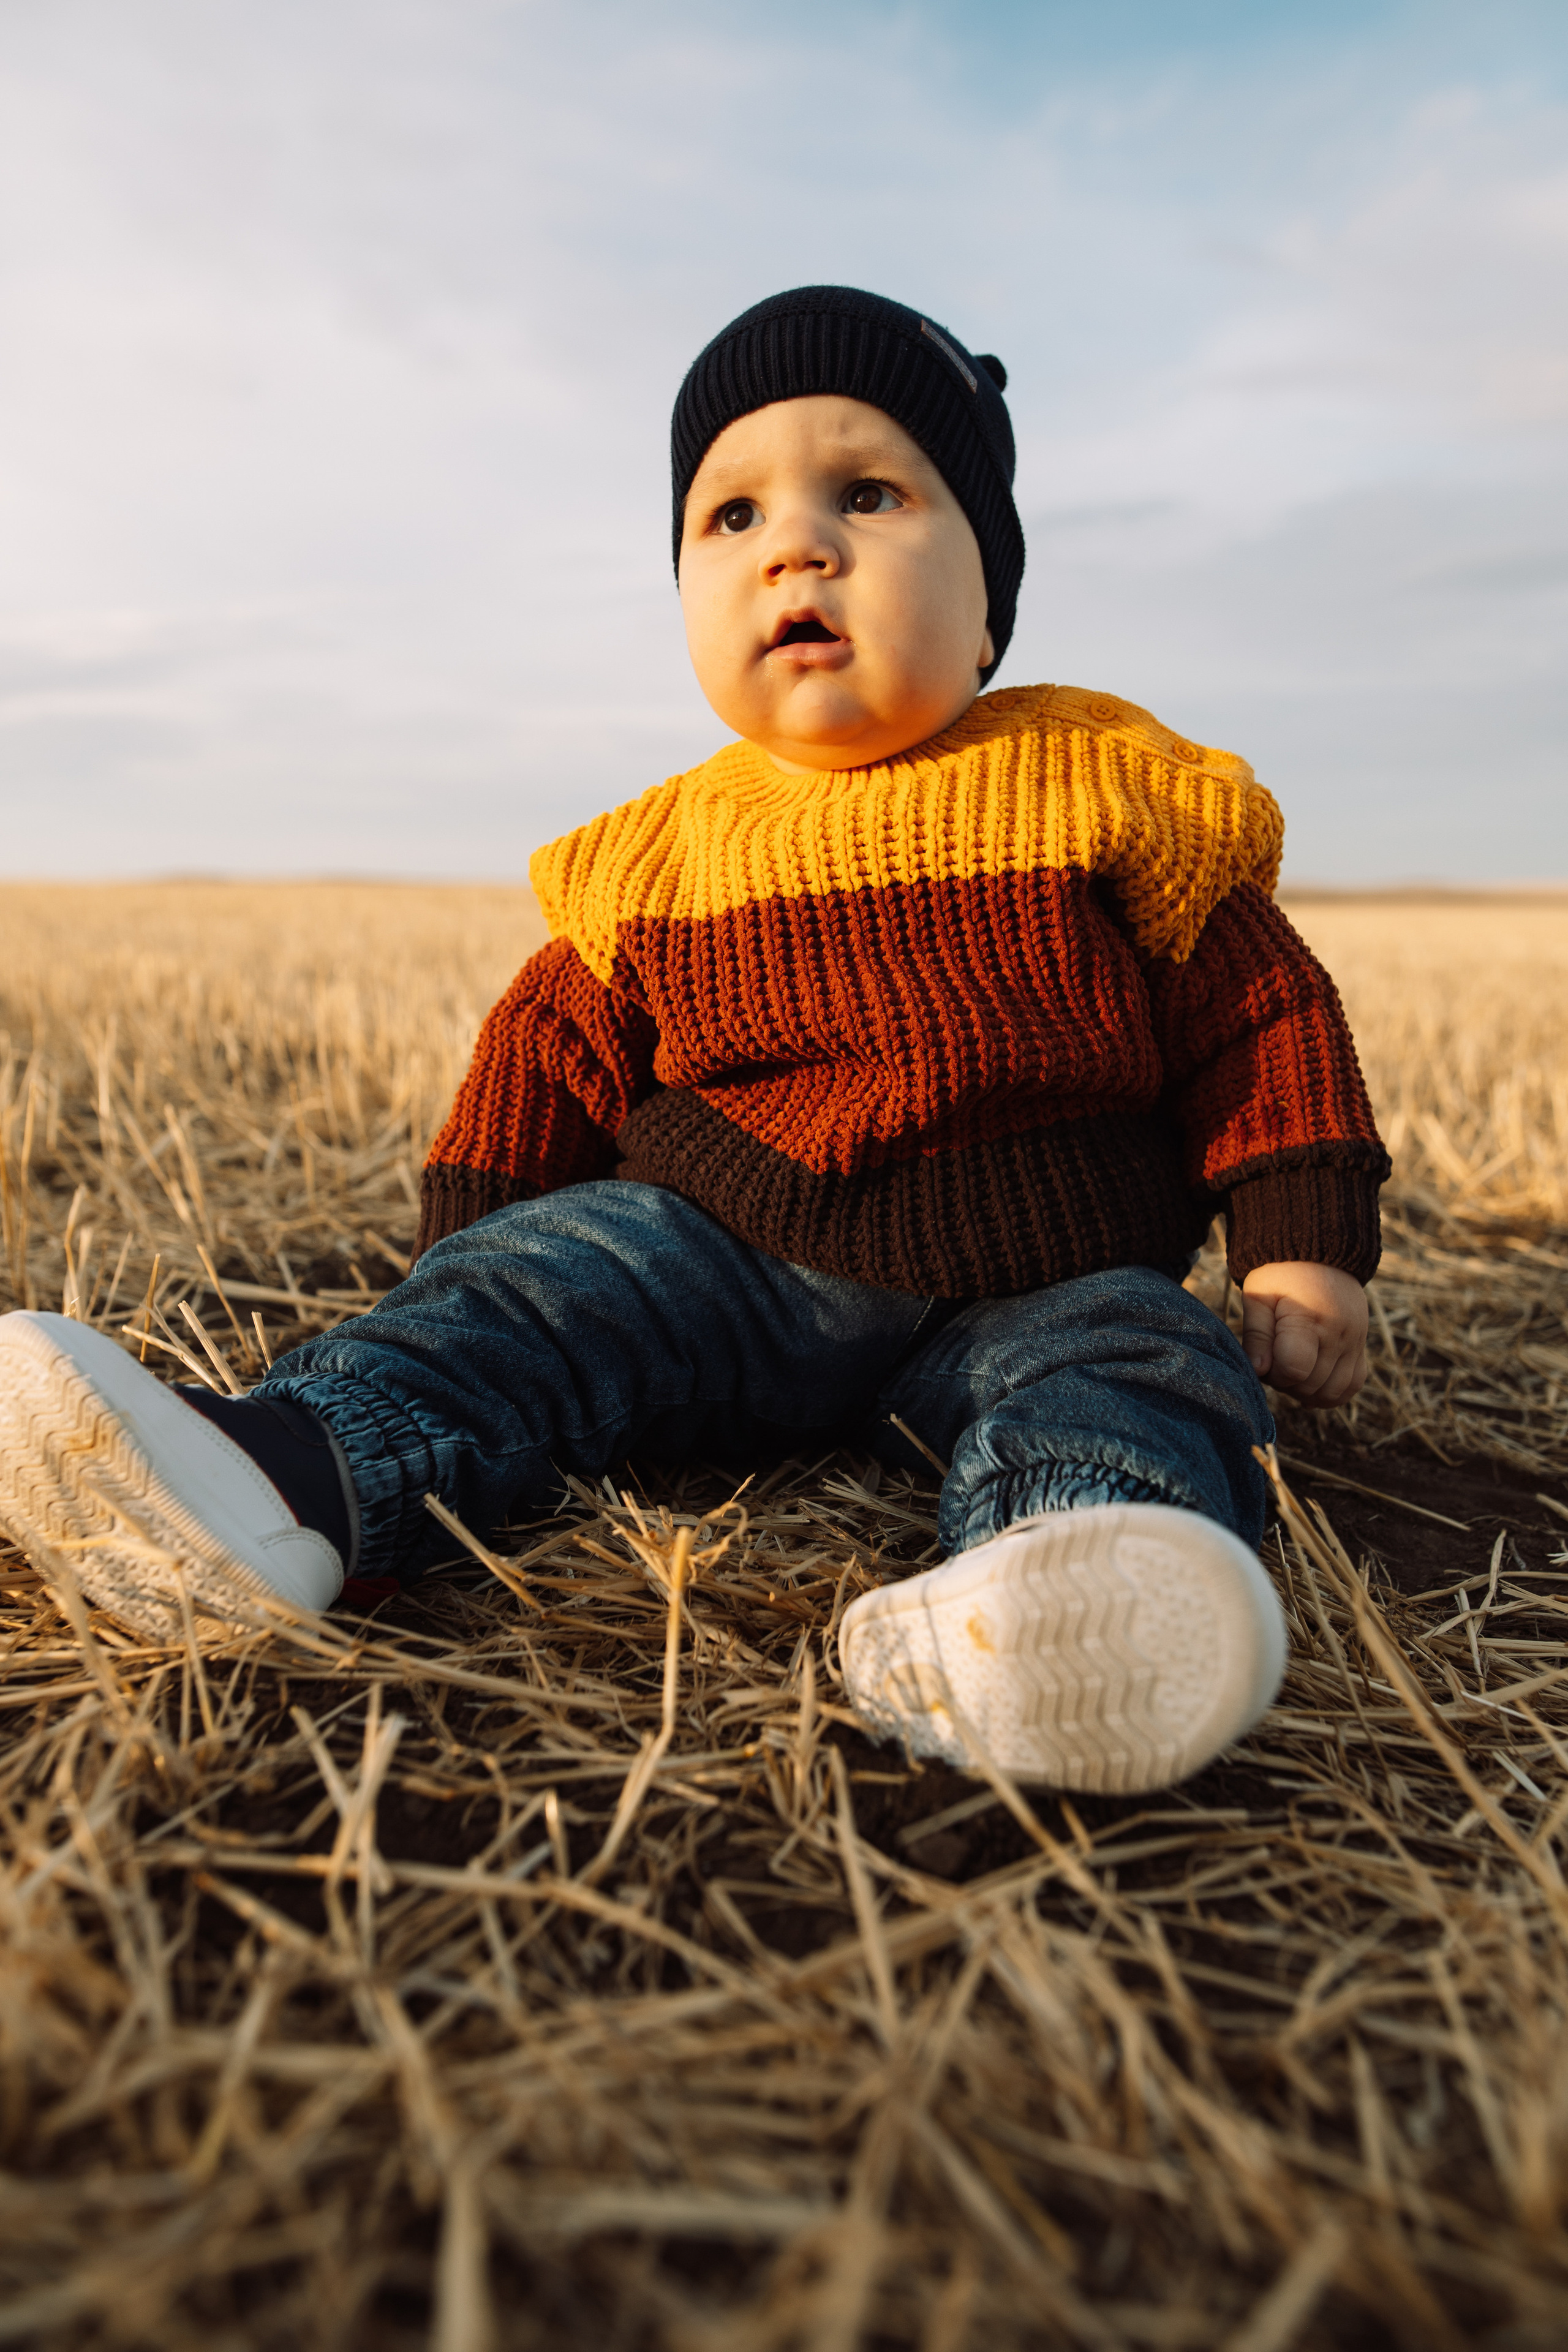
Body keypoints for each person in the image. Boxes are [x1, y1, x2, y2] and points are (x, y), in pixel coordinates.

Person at [0, 286, 1388, 1796]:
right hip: (724, 1256)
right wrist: (474, 1255)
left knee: (1141, 1364)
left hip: (1040, 1273)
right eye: (730, 516)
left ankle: (1058, 1587)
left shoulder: (1105, 783)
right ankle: (293, 1482)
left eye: (868, 494)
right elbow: (545, 1059)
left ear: (989, 599)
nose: (797, 545)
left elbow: (1259, 1014)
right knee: (532, 1301)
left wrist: (1296, 1238)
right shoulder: (657, 851)